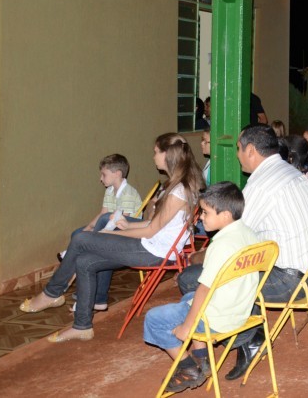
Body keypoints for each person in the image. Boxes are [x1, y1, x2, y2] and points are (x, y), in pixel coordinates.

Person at [20, 133, 204, 343]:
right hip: (152, 245)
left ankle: (52, 293)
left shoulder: (177, 191)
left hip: (155, 251)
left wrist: (114, 233)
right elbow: (158, 224)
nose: (153, 157)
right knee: (85, 261)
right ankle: (82, 326)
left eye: (156, 152)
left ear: (167, 155)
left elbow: (152, 230)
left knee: (81, 239)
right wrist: (128, 224)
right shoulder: (177, 185)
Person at [178, 124, 308, 381]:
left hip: (288, 281)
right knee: (229, 272)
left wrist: (201, 257)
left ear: (250, 150)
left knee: (191, 278)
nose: (237, 155)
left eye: (238, 149)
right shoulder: (292, 172)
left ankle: (249, 338)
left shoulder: (262, 184)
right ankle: (249, 333)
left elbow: (234, 237)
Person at [142, 182, 261, 392]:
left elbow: (204, 290)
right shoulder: (250, 235)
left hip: (217, 319)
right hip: (240, 312)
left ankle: (188, 367)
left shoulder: (221, 245)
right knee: (188, 295)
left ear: (224, 215)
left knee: (154, 319)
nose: (201, 218)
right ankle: (202, 357)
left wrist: (187, 327)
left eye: (205, 212)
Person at [61, 154, 144, 312]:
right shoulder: (110, 190)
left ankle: (95, 296)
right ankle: (86, 291)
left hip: (127, 234)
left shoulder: (128, 193)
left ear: (117, 174)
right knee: (77, 233)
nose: (101, 178)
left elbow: (123, 223)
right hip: (110, 229)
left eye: (104, 174)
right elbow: (102, 214)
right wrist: (88, 229)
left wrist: (95, 234)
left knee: (97, 249)